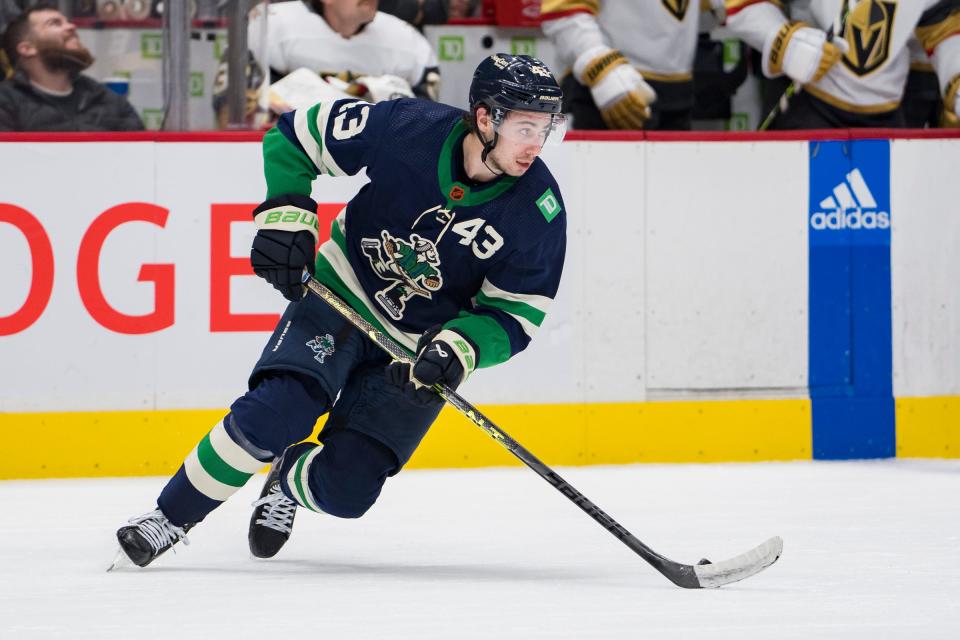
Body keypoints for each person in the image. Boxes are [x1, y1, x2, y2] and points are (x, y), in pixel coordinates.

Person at [113, 53, 568, 568]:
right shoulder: (409, 128)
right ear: (485, 118)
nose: (537, 142)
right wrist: (287, 214)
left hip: (413, 357)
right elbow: (298, 134)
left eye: (547, 127)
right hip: (341, 295)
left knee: (348, 493)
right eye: (525, 126)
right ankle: (167, 520)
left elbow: (516, 314)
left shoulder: (539, 211)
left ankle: (286, 477)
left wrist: (460, 347)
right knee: (272, 413)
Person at [723, 0, 960, 129]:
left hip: (886, 114)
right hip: (806, 102)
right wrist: (783, 40)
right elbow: (745, 5)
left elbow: (945, 27)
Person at [213, 0, 440, 128]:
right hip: (288, 157)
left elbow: (425, 127)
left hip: (372, 165)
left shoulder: (408, 41)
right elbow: (231, 112)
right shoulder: (270, 25)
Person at [540, 0, 727, 130]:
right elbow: (563, 11)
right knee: (602, 181)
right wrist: (600, 68)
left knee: (672, 183)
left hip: (678, 91)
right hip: (608, 90)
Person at [0, 3, 144, 131]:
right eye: (55, 23)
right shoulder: (6, 103)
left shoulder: (107, 99)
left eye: (67, 22)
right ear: (27, 48)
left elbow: (141, 156)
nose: (72, 26)